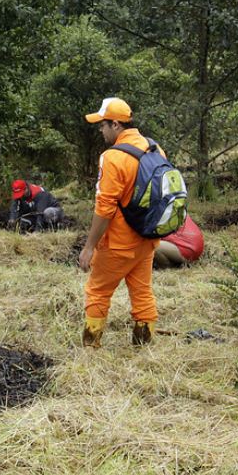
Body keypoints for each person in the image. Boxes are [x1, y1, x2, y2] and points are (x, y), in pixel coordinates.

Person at [78, 97, 165, 347]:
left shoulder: (113, 157)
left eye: (102, 125)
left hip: (118, 243)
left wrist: (89, 246)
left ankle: (90, 349)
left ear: (116, 125)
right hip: (147, 237)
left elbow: (105, 207)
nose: (100, 130)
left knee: (97, 291)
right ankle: (143, 347)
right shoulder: (154, 147)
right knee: (142, 291)